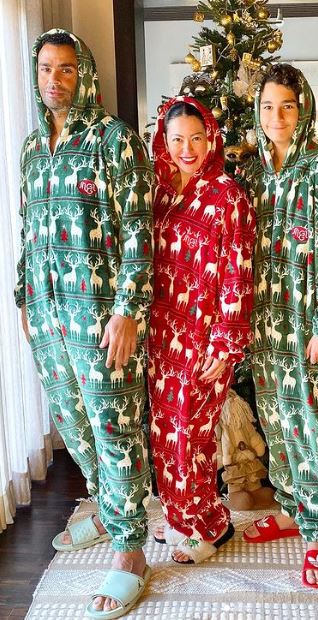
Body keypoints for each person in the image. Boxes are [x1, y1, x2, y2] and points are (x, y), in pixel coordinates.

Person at [14, 29, 154, 618]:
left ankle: (130, 550)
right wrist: (23, 297)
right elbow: (28, 226)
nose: (55, 79)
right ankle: (107, 510)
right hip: (47, 314)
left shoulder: (114, 140)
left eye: (66, 69)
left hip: (100, 316)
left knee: (114, 428)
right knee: (75, 426)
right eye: (46, 68)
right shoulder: (31, 148)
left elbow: (140, 231)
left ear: (85, 74)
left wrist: (128, 310)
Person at [243, 64, 318, 589]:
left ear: (304, 109)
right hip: (265, 329)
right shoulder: (253, 175)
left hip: (309, 326)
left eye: (287, 106)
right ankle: (292, 509)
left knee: (315, 429)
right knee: (278, 426)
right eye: (268, 106)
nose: (277, 116)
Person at [149, 97, 255, 563]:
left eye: (196, 138)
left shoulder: (228, 195)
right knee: (165, 432)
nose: (187, 149)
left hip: (206, 336)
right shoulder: (159, 190)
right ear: (164, 140)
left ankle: (208, 525)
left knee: (193, 433)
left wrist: (227, 343)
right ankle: (179, 515)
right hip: (160, 333)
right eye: (177, 139)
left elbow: (238, 272)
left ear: (211, 138)